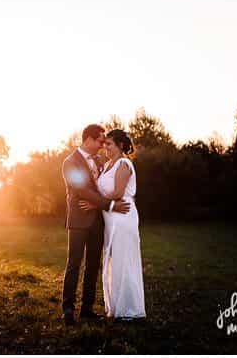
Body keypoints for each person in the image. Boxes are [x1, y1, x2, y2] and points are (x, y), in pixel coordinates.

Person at [60, 124, 131, 324]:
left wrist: (100, 204)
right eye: (100, 140)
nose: (102, 144)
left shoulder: (101, 161)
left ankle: (87, 308)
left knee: (93, 265)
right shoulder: (70, 162)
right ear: (88, 139)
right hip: (78, 219)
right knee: (74, 263)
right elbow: (81, 189)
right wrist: (110, 205)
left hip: (98, 221)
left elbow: (104, 187)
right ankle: (68, 309)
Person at [96, 128, 146, 318]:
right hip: (110, 218)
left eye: (109, 144)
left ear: (121, 145)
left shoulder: (124, 163)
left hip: (123, 216)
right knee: (113, 261)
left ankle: (129, 309)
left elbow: (117, 193)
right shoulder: (108, 164)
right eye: (105, 144)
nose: (105, 147)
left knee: (124, 261)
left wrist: (95, 199)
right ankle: (116, 307)